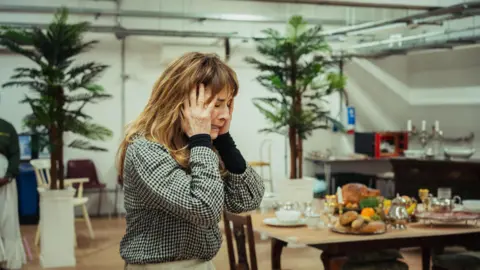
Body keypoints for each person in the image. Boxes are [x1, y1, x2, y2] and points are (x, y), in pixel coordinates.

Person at [117, 52, 265, 270]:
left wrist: (224, 142)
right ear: (180, 103)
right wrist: (201, 140)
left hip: (202, 264)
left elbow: (248, 199)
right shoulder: (145, 150)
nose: (225, 115)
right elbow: (205, 209)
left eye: (228, 104)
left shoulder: (197, 146)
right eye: (216, 105)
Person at [0, 118, 26, 270]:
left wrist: (8, 176)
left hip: (5, 182)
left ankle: (9, 261)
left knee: (8, 220)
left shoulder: (7, 127)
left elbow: (15, 155)